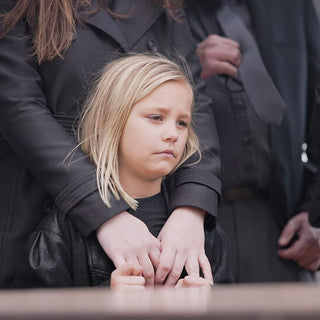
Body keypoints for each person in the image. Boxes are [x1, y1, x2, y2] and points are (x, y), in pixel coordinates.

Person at [0, 0, 222, 288]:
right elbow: (18, 107)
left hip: (160, 209)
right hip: (47, 199)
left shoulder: (165, 5)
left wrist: (192, 206)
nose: (172, 131)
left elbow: (193, 102)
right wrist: (103, 212)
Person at [185, 0, 320, 282]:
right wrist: (185, 66)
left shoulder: (292, 7)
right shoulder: (153, 11)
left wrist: (317, 212)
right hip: (187, 225)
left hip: (280, 221)